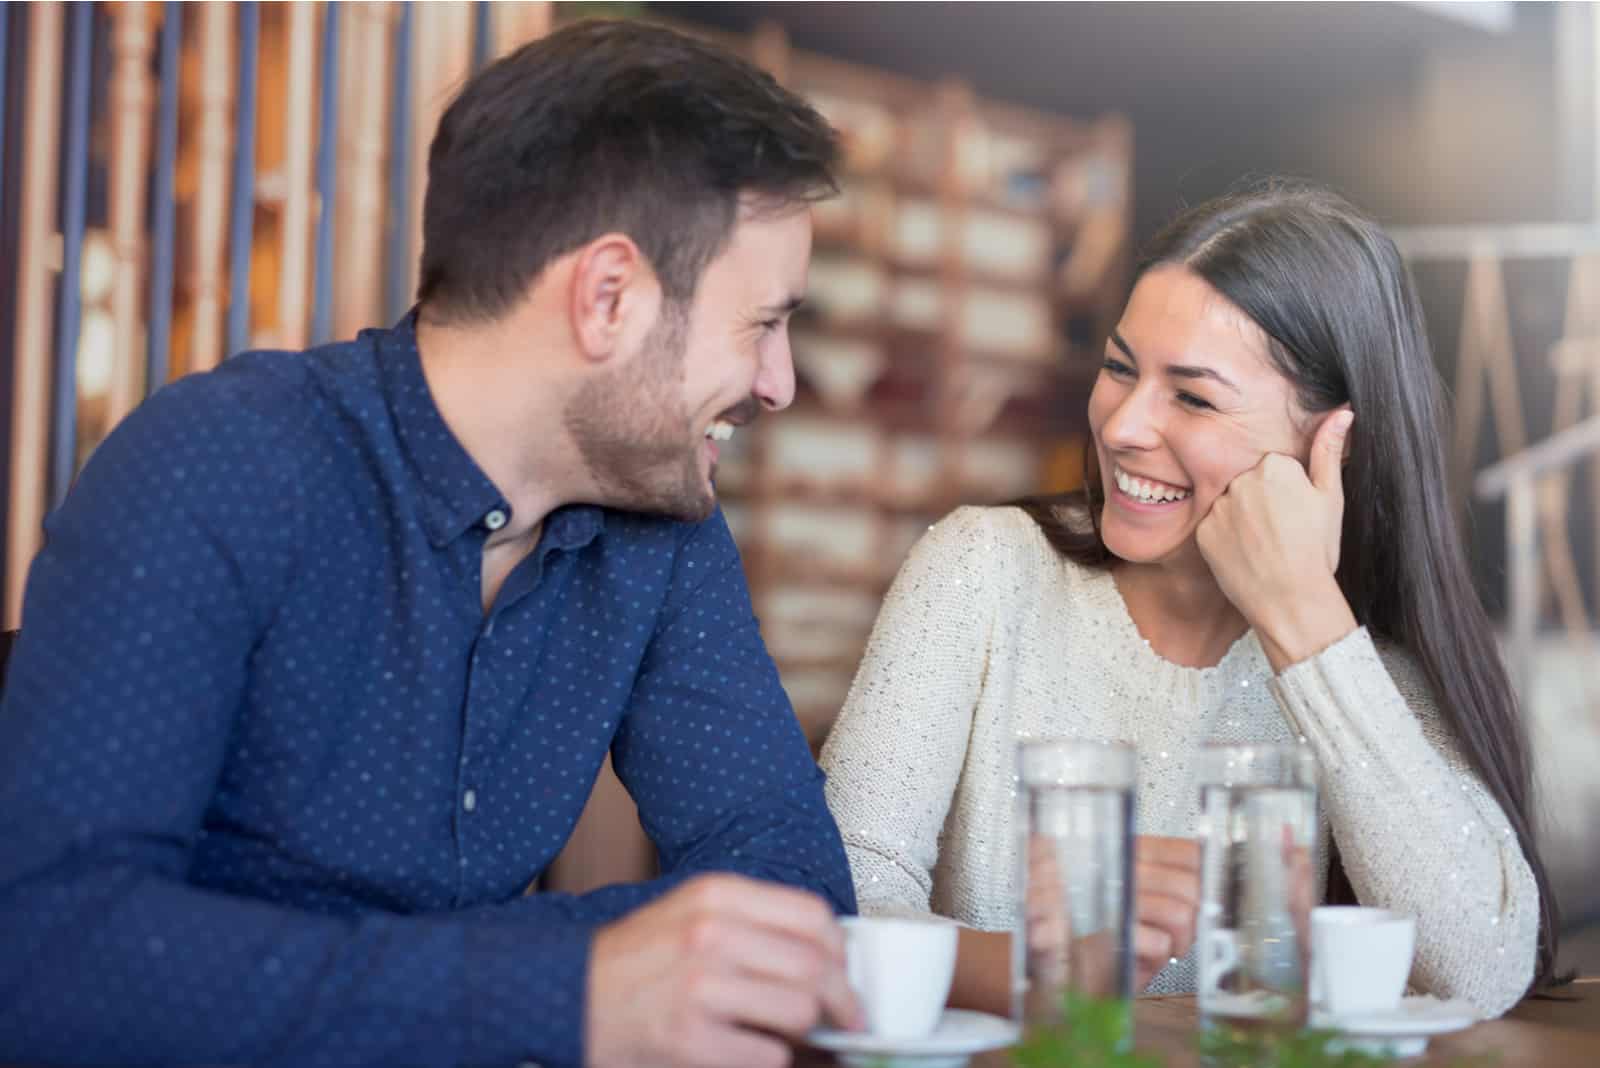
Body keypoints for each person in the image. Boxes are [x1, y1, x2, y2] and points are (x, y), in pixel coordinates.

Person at [0, 19, 865, 1068]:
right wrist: (566, 989)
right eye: (762, 323)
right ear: (608, 297)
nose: (777, 383)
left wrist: (516, 985)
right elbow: (48, 957)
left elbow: (791, 883)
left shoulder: (664, 532)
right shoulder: (216, 467)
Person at [820, 182, 1558, 1020]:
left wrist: (1306, 626)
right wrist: (1044, 969)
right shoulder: (984, 568)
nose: (1124, 426)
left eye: (1194, 397)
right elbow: (838, 893)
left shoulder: (1371, 660)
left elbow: (1485, 969)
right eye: (1118, 368)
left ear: (1330, 445)